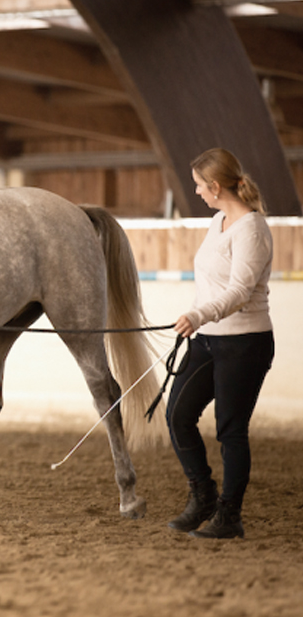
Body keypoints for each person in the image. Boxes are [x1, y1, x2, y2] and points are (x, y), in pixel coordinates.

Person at [165, 148, 275, 539]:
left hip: (244, 343)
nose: (196, 192)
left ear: (215, 186)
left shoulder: (252, 229)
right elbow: (211, 285)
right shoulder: (218, 222)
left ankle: (230, 515)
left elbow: (240, 292)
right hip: (208, 341)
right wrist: (195, 316)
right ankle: (203, 494)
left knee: (230, 430)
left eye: (198, 186)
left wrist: (199, 315)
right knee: (177, 416)